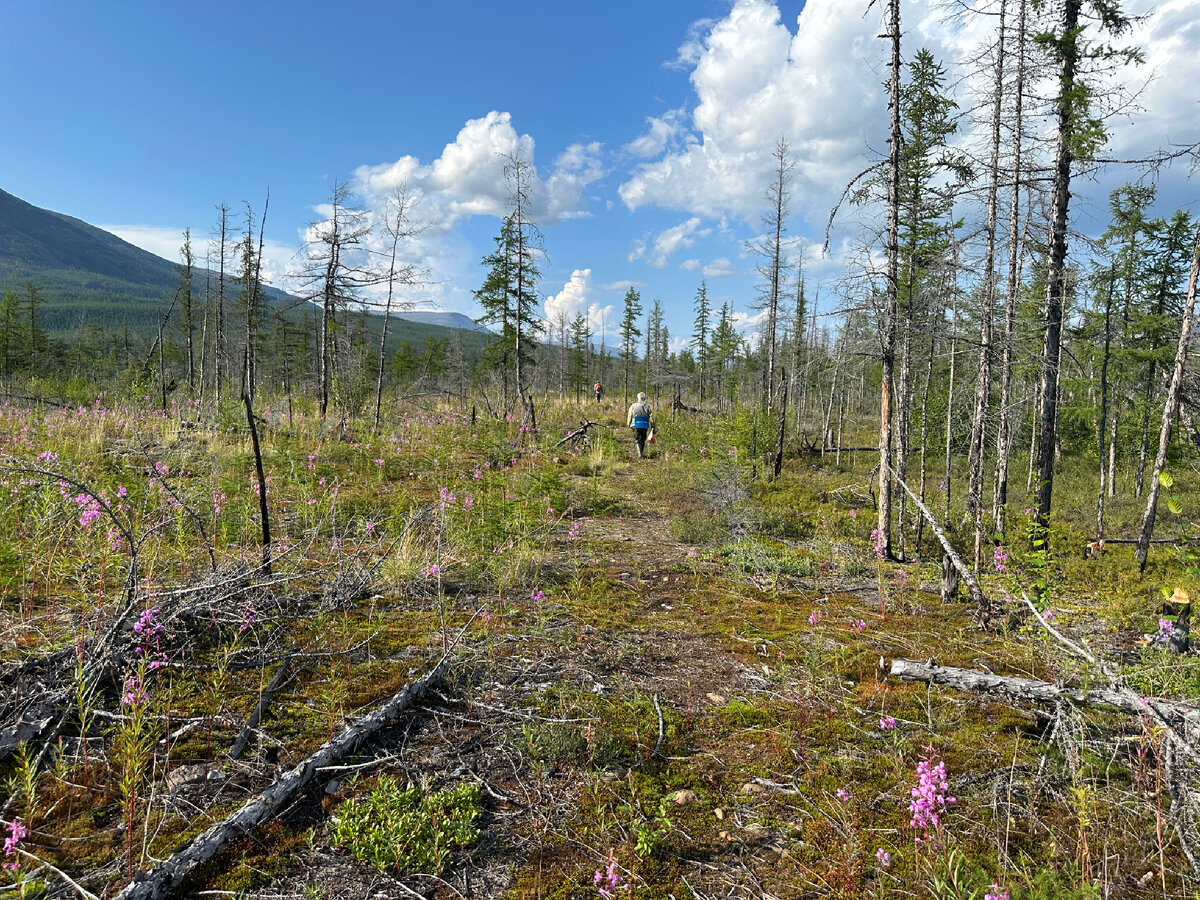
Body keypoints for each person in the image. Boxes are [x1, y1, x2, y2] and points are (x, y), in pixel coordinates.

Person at [627, 392, 653, 458]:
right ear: (644, 398)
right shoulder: (647, 406)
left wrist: (628, 423)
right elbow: (651, 417)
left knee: (637, 438)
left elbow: (630, 415)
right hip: (645, 424)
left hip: (635, 424)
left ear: (638, 398)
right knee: (643, 438)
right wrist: (652, 425)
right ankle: (640, 453)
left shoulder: (633, 406)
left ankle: (639, 454)